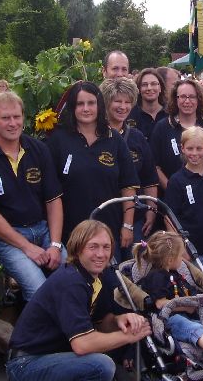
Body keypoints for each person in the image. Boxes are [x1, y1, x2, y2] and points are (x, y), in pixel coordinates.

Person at [5, 220, 151, 381]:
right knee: (100, 365)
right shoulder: (70, 282)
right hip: (25, 367)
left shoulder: (95, 278)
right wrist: (128, 338)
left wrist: (120, 320)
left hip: (50, 359)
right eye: (93, 247)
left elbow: (103, 321)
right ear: (77, 248)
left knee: (101, 358)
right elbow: (83, 345)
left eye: (106, 247)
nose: (101, 254)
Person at [0, 91, 64, 301]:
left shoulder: (38, 150)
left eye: (17, 117)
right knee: (39, 290)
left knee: (73, 278)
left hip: (43, 229)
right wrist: (27, 247)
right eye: (5, 118)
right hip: (6, 237)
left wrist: (55, 245)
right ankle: (37, 332)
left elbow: (53, 200)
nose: (13, 123)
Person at [45, 82, 140, 254]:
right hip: (72, 232)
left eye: (91, 103)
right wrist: (55, 241)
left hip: (109, 231)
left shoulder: (114, 139)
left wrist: (128, 225)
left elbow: (128, 186)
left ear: (100, 105)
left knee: (112, 279)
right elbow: (51, 193)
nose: (86, 109)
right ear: (72, 107)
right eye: (80, 104)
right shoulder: (58, 140)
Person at [100, 78, 159, 246]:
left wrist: (151, 209)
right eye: (117, 101)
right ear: (105, 103)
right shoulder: (96, 137)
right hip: (106, 216)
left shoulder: (137, 137)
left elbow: (149, 178)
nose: (123, 106)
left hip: (137, 216)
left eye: (128, 102)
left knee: (137, 265)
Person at [163, 126, 203, 277]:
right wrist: (180, 248)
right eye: (190, 148)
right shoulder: (177, 180)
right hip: (195, 251)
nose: (195, 153)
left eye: (199, 148)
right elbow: (169, 218)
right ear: (182, 148)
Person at [150, 78, 203, 190]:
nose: (187, 101)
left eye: (192, 97)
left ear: (199, 99)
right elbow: (155, 166)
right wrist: (172, 189)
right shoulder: (162, 128)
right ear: (175, 99)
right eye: (183, 96)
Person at [127, 68, 167, 139]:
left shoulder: (170, 113)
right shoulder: (130, 114)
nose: (149, 88)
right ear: (138, 89)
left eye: (153, 84)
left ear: (160, 88)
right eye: (144, 85)